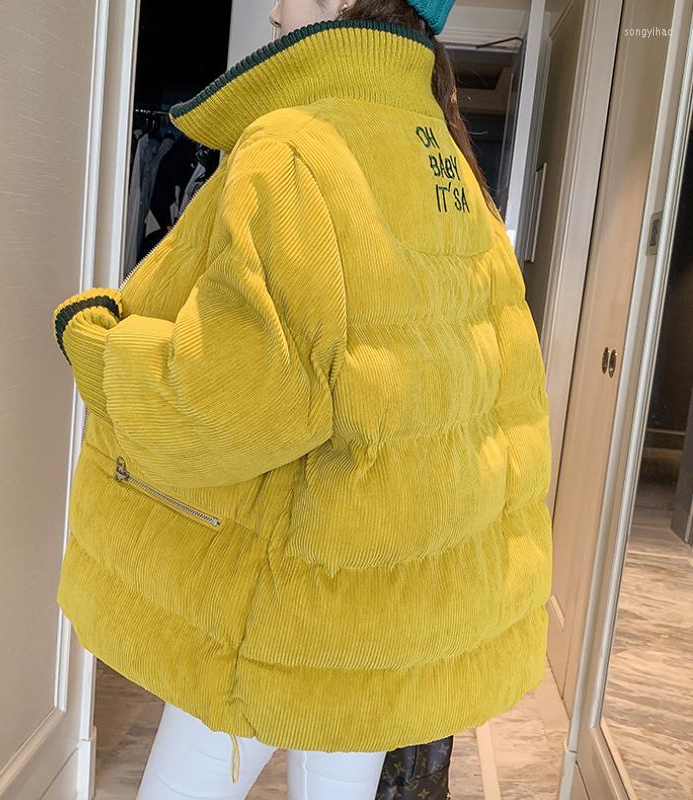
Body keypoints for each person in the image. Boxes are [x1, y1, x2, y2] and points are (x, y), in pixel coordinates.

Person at [50, 0, 553, 798]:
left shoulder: (298, 146)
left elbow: (227, 398)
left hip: (288, 611)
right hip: (385, 613)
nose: (276, 10)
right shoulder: (447, 156)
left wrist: (93, 340)